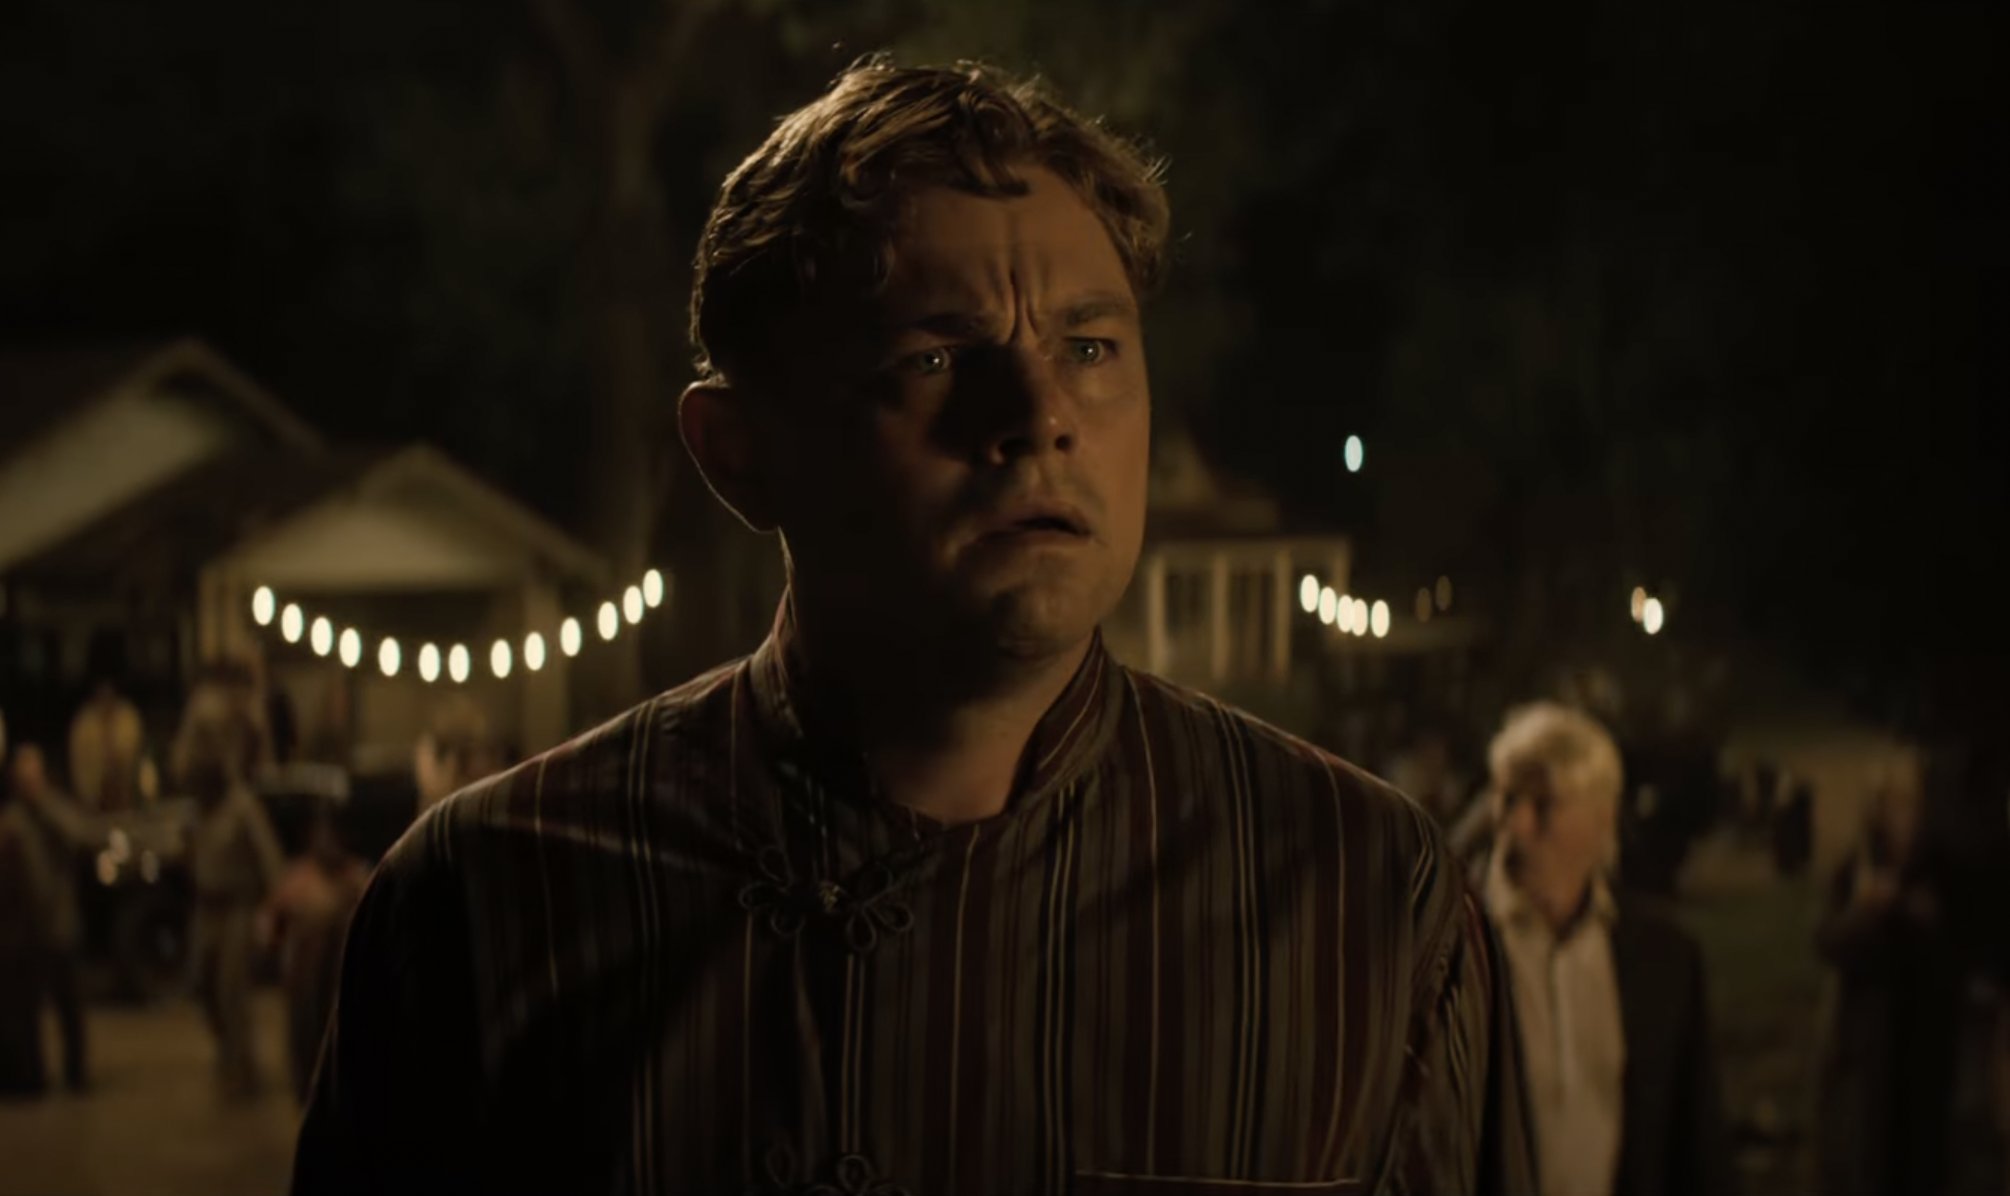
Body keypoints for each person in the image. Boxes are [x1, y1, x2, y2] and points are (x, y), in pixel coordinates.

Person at [296, 60, 1534, 1196]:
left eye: (1090, 344)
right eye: (937, 358)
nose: (1040, 412)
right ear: (738, 452)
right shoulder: (484, 902)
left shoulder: (1363, 897)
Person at [1478, 703, 1734, 1196]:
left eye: (1544, 804)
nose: (1519, 824)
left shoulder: (1663, 958)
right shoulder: (1452, 946)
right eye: (1508, 799)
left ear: (1602, 818)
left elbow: (1697, 1143)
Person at [1815, 773, 1965, 1196]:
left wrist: (1925, 918)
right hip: (1871, 1041)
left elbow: (1958, 947)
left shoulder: (1939, 867)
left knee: (1924, 1150)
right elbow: (1828, 942)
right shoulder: (1857, 867)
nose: (1904, 817)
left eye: (1910, 805)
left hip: (1928, 1037)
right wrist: (1865, 911)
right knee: (1872, 1150)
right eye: (1894, 805)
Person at [176, 678, 287, 1101]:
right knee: (205, 986)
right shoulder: (199, 811)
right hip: (206, 908)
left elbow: (271, 863)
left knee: (231, 990)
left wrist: (271, 913)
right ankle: (226, 1052)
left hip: (238, 907)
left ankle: (243, 1068)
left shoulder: (242, 807)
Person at [264, 811, 367, 1103]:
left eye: (331, 836)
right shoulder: (299, 876)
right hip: (304, 970)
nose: (326, 843)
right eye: (320, 835)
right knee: (304, 1032)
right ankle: (307, 1090)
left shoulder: (355, 877)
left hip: (341, 973)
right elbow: (274, 921)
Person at [9, 744, 96, 1091]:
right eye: (23, 780)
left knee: (70, 1006)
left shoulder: (57, 811)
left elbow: (82, 836)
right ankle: (32, 1077)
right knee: (27, 1012)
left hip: (61, 924)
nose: (29, 786)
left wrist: (45, 807)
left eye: (34, 779)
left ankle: (77, 1073)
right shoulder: (13, 821)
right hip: (28, 931)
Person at [0, 752, 56, 1096]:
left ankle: (28, 1078)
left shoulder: (37, 820)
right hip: (13, 936)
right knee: (14, 1013)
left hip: (25, 934)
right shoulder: (13, 825)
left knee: (25, 1013)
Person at [69, 680, 143, 813]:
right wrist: (91, 794)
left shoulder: (127, 717)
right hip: (95, 799)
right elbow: (80, 764)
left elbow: (133, 755)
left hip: (126, 793)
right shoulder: (84, 724)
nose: (105, 701)